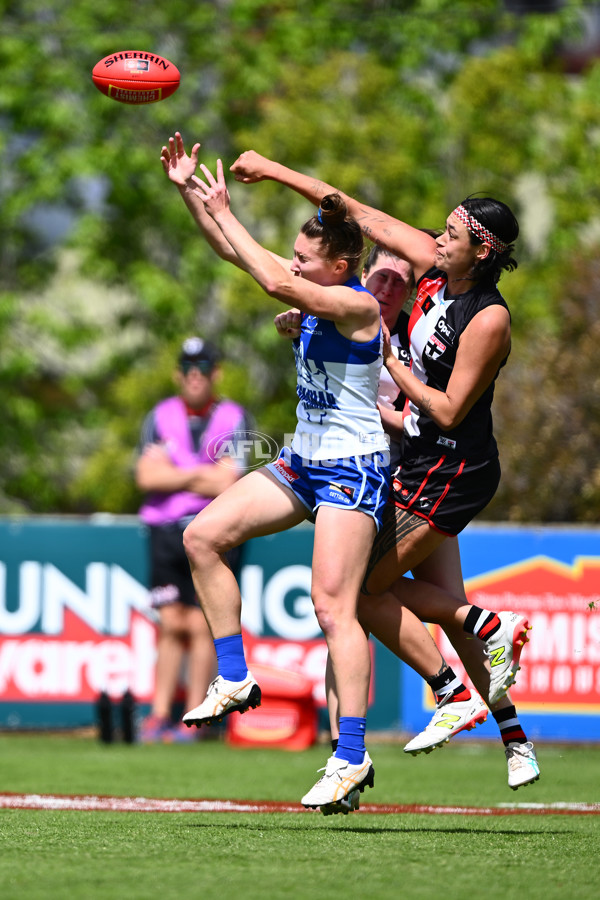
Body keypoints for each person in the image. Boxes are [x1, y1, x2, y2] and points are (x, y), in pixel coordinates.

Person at [231, 152, 539, 792]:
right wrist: (273, 170)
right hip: (412, 464)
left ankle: (462, 671)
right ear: (364, 276)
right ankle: (513, 738)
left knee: (361, 595)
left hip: (449, 468)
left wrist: (394, 376)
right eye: (385, 278)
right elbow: (351, 209)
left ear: (479, 252)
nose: (433, 243)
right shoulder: (383, 296)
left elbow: (449, 410)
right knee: (378, 599)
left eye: (451, 234)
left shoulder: (485, 316)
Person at [160, 133, 390, 813]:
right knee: (201, 537)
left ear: (340, 264)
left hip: (352, 468)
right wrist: (194, 197)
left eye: (305, 255)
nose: (293, 262)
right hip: (302, 459)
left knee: (332, 608)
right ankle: (234, 677)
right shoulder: (314, 300)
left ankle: (351, 753)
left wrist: (233, 215)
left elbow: (268, 275)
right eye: (293, 251)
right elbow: (238, 255)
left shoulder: (357, 306)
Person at [136, 336, 250, 743]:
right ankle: (158, 715)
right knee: (170, 624)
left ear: (215, 373)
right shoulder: (159, 415)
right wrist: (201, 474)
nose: (195, 376)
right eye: (187, 369)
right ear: (177, 374)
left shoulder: (236, 416)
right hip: (165, 531)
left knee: (205, 625)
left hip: (215, 530)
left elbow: (229, 479)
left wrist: (176, 472)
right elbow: (146, 477)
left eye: (202, 368)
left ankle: (193, 718)